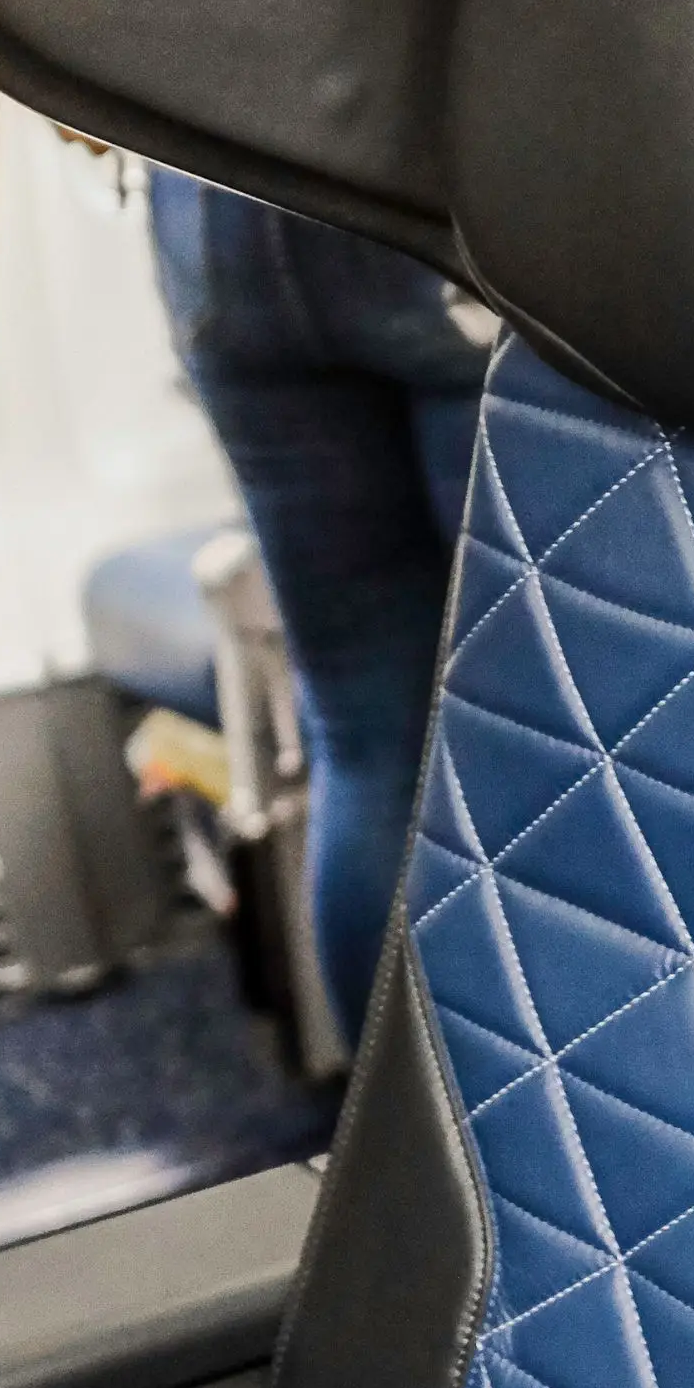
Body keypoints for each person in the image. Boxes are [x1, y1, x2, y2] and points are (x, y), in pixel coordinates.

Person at [144, 169, 497, 1047]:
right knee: (536, 727)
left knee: (367, 744)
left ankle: (398, 1139)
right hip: (434, 213)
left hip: (214, 223)